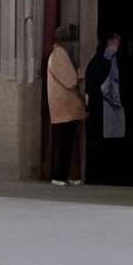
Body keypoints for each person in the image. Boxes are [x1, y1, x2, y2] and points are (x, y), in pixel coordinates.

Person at [85, 28, 128, 185]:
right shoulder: (100, 60)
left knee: (115, 142)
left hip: (115, 108)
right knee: (101, 143)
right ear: (108, 41)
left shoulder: (117, 59)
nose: (118, 44)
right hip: (100, 108)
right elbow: (93, 82)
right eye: (116, 40)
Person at [45, 23, 86, 185]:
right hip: (64, 109)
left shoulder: (61, 54)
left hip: (68, 110)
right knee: (63, 145)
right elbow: (71, 80)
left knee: (68, 145)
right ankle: (58, 176)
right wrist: (79, 74)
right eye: (71, 41)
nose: (73, 45)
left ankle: (67, 175)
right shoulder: (59, 54)